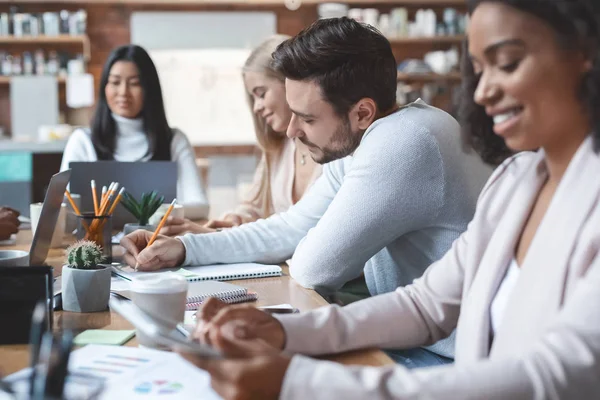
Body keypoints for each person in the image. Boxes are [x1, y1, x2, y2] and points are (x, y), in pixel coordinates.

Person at [175, 0, 600, 398]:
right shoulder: (518, 179)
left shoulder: (409, 139)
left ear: (586, 54)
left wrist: (299, 381)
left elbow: (554, 373)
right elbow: (425, 304)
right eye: (478, 70)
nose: (483, 92)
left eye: (506, 63)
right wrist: (284, 331)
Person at [121, 18, 493, 364]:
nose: (291, 131)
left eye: (308, 118)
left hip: (452, 357)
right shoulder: (366, 139)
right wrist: (187, 248)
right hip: (418, 339)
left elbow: (314, 267)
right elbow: (291, 226)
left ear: (362, 113)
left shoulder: (406, 140)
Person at [160, 35, 322, 236]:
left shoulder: (334, 148)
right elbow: (253, 207)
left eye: (261, 94)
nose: (257, 108)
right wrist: (233, 221)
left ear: (290, 82)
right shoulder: (277, 148)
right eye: (253, 98)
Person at [60, 45, 209, 219]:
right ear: (104, 87)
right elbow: (64, 208)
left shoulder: (174, 140)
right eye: (115, 82)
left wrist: (159, 216)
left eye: (134, 84)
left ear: (149, 89)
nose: (123, 92)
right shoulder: (83, 141)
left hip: (159, 242)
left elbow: (200, 206)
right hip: (95, 243)